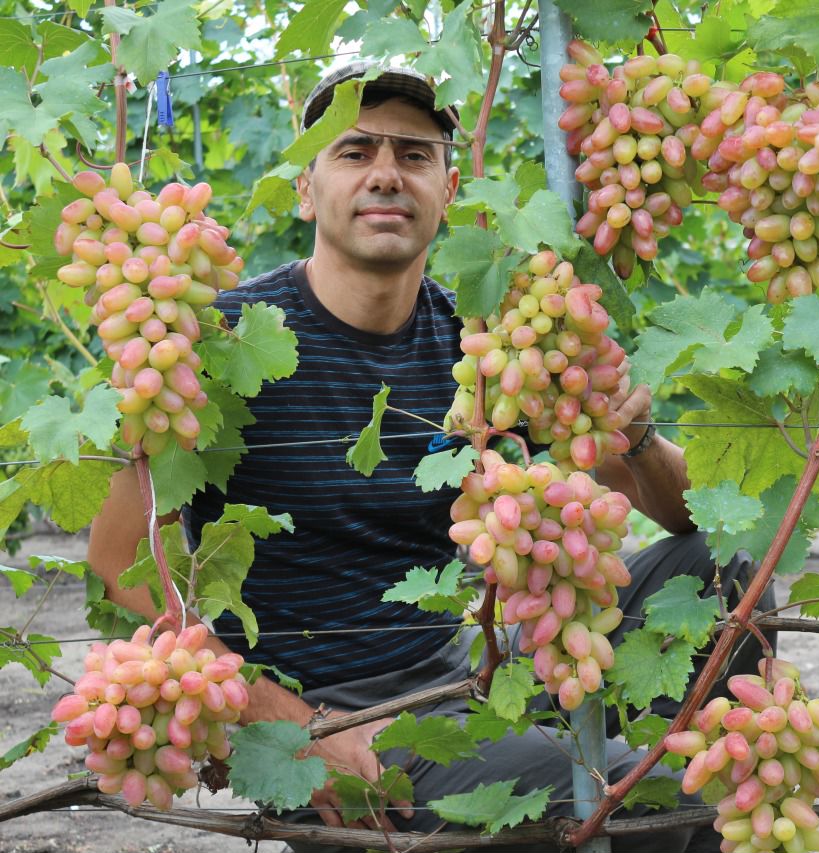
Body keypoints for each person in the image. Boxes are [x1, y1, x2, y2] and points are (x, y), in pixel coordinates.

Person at [87, 62, 772, 852]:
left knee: (727, 567)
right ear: (308, 190)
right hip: (347, 721)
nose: (386, 173)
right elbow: (116, 562)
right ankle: (630, 790)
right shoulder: (219, 349)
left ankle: (663, 783)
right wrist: (292, 727)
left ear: (448, 192)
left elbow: (680, 515)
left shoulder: (482, 349)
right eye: (355, 150)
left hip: (471, 670)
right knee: (638, 794)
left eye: (414, 155)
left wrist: (639, 439)